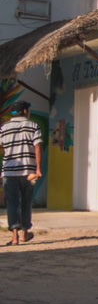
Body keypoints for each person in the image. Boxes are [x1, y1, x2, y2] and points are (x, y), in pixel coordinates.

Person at [1, 101, 42, 246]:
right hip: (28, 171)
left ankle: (14, 237)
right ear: (25, 111)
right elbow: (37, 147)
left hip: (9, 172)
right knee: (26, 201)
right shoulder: (33, 126)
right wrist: (38, 168)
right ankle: (25, 233)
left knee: (12, 203)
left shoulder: (4, 128)